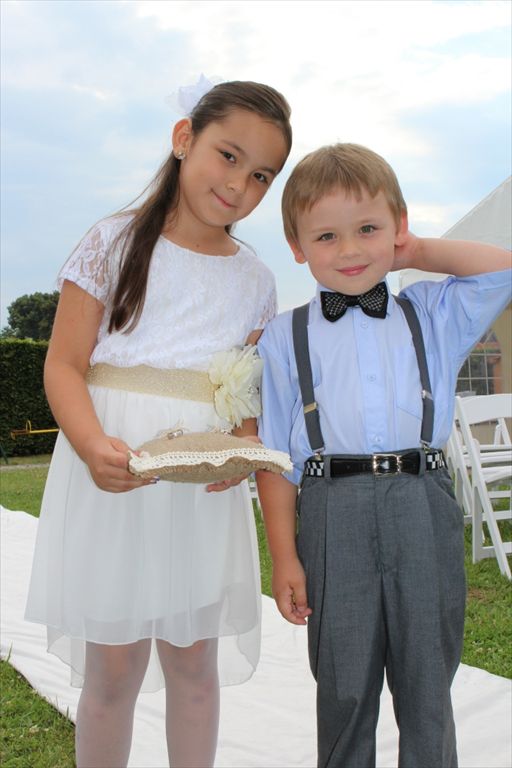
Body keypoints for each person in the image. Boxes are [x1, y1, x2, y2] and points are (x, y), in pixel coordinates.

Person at [25, 78, 292, 768]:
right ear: (184, 140)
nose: (239, 184)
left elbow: (246, 395)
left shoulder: (255, 279)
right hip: (115, 472)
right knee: (114, 670)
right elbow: (63, 365)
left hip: (197, 492)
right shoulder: (113, 242)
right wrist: (92, 445)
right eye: (228, 156)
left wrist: (242, 449)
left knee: (194, 665)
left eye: (261, 175)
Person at [256, 143, 511, 768]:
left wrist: (416, 251)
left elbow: (502, 270)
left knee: (428, 678)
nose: (349, 250)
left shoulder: (432, 314)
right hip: (330, 509)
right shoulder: (283, 337)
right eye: (326, 235)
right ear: (297, 246)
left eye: (368, 229)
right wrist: (285, 557)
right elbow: (275, 458)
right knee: (343, 683)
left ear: (397, 227)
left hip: (421, 502)